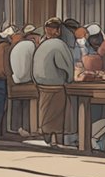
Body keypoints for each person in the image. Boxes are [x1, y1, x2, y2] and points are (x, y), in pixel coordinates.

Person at [32, 19, 75, 147]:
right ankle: (56, 138)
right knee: (56, 113)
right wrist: (70, 79)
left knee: (45, 110)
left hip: (41, 84)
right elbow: (66, 65)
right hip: (55, 84)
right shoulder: (59, 45)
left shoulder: (42, 45)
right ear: (58, 30)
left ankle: (46, 135)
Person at [9, 24, 40, 134]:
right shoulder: (31, 46)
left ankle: (15, 127)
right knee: (27, 105)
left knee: (17, 104)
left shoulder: (17, 46)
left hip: (16, 79)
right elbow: (34, 63)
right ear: (32, 37)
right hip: (27, 79)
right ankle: (28, 127)